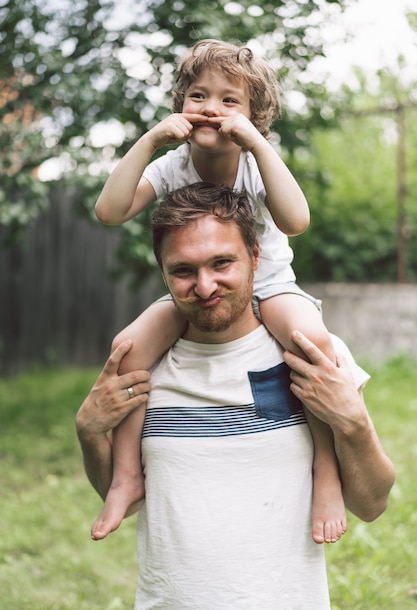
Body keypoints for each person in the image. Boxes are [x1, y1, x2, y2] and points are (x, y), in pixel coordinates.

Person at [76, 183, 395, 609]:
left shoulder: (311, 357)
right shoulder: (143, 365)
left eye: (221, 262)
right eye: (183, 270)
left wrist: (352, 420)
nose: (205, 286)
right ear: (164, 273)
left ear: (256, 257)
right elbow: (124, 497)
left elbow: (372, 504)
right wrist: (90, 433)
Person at [92, 39, 341, 543]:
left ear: (254, 116)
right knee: (128, 349)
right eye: (198, 96)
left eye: (231, 100)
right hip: (195, 287)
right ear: (180, 104)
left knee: (315, 345)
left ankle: (328, 475)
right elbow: (109, 211)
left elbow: (296, 221)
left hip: (268, 286)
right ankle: (126, 475)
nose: (212, 109)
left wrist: (258, 144)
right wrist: (149, 142)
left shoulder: (256, 163)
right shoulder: (172, 166)